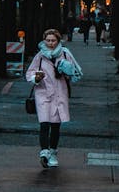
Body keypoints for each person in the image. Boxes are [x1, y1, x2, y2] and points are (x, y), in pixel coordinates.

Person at [25, 28, 82, 168]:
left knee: (55, 125)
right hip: (43, 93)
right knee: (44, 123)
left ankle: (53, 152)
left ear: (58, 41)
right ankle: (44, 153)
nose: (50, 43)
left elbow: (76, 74)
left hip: (59, 93)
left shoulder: (65, 54)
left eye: (53, 40)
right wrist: (36, 78)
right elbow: (29, 73)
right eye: (48, 40)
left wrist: (66, 70)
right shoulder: (39, 56)